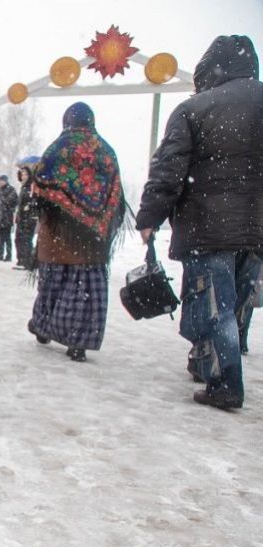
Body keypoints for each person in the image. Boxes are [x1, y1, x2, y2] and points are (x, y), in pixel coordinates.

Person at [135, 35, 263, 410]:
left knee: (213, 304)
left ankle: (226, 383)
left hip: (209, 226)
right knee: (238, 299)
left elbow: (168, 170)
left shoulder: (195, 109)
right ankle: (210, 360)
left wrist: (150, 217)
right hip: (256, 226)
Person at [27, 102, 126, 363]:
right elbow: (116, 197)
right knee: (83, 293)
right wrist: (96, 222)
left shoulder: (57, 149)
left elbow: (38, 188)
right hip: (92, 241)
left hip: (57, 234)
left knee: (52, 287)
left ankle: (42, 326)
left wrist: (60, 210)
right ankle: (78, 342)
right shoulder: (105, 152)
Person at [13, 164, 38, 270]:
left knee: (26, 239)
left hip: (29, 217)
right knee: (19, 239)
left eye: (25, 174)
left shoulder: (31, 187)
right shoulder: (23, 187)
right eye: (22, 174)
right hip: (22, 217)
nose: (23, 176)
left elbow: (35, 200)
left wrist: (30, 206)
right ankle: (22, 260)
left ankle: (28, 262)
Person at [0, 174, 18, 261]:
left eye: (2, 180)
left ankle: (9, 255)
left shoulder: (11, 190)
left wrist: (0, 199)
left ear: (6, 181)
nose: (0, 182)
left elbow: (10, 202)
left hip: (7, 217)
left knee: (7, 237)